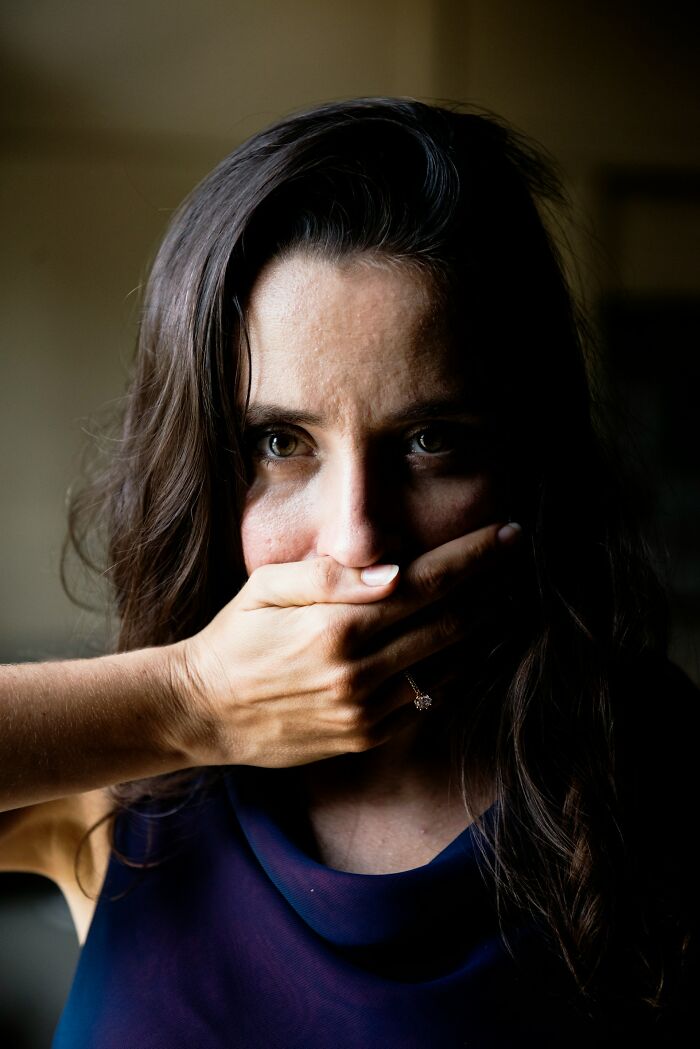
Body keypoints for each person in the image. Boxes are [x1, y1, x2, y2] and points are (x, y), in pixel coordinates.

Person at [0, 98, 695, 1047]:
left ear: (528, 460)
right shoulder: (121, 779)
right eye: (280, 441)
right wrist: (189, 703)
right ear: (206, 465)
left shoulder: (656, 773)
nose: (357, 537)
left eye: (429, 441)